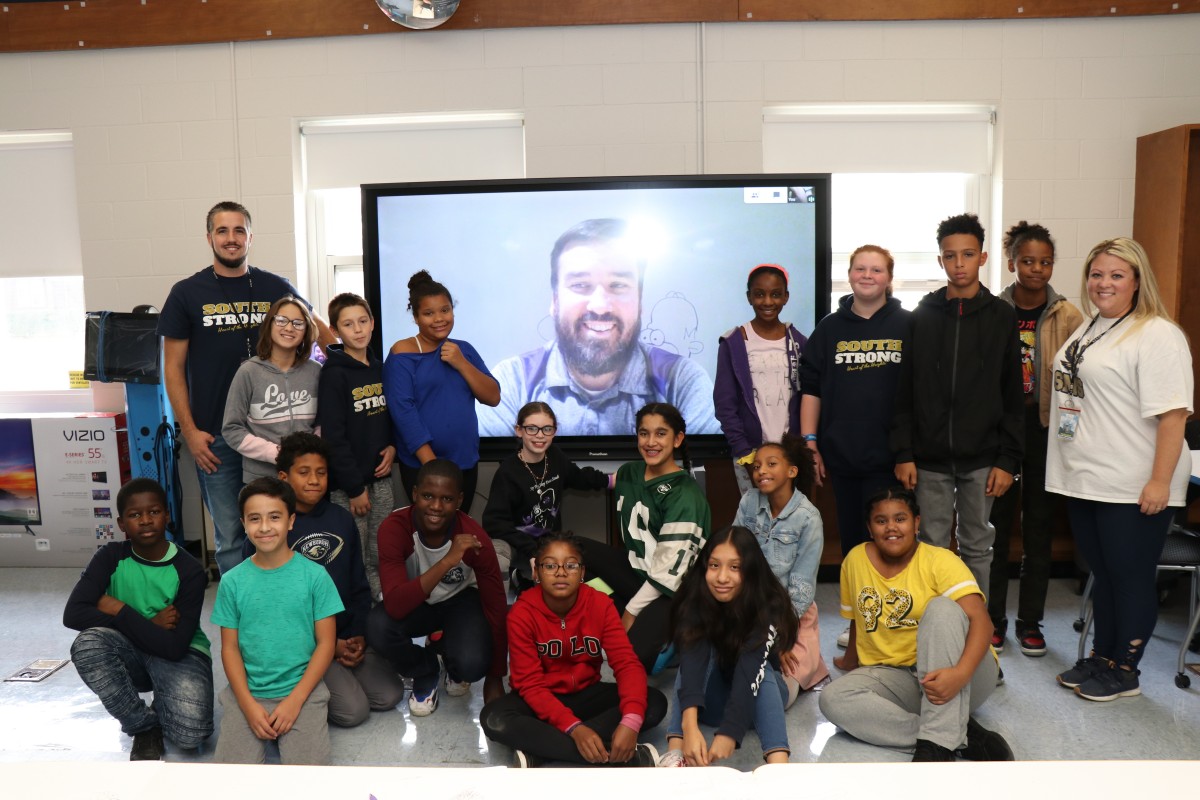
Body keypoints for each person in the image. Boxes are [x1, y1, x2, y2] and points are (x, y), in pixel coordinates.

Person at [1046, 237, 1193, 702]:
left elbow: (1173, 414)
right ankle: (1103, 657)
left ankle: (1126, 669)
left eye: (1116, 275)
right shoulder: (1091, 326)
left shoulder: (1156, 334)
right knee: (1104, 575)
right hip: (1087, 476)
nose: (1103, 283)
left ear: (1136, 280)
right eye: (1096, 274)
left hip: (1133, 481)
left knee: (1129, 577)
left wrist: (1159, 482)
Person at [158, 200, 333, 575]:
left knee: (282, 528)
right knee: (233, 535)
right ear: (209, 238)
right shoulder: (187, 293)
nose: (231, 239)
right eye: (222, 231)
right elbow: (171, 368)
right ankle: (240, 623)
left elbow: (323, 334)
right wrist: (189, 431)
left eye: (239, 231)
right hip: (215, 436)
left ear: (251, 237)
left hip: (274, 435)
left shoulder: (275, 286)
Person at [818, 487, 1013, 762]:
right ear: (869, 527)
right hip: (899, 677)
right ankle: (956, 735)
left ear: (916, 523)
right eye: (881, 521)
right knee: (832, 699)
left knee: (942, 608)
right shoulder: (855, 560)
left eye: (900, 519)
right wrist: (851, 661)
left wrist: (960, 674)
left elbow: (983, 623)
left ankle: (935, 749)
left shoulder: (940, 560)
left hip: (964, 672)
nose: (891, 528)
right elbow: (857, 621)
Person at [479, 218, 719, 437]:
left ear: (640, 301)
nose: (601, 306)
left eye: (618, 285)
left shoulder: (683, 381)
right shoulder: (510, 383)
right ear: (554, 300)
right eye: (581, 284)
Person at [891, 213, 1023, 594]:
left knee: (978, 544)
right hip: (928, 458)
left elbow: (1013, 392)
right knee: (931, 544)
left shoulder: (1002, 317)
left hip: (983, 458)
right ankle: (935, 626)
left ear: (982, 258)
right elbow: (904, 392)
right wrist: (904, 452)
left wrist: (1007, 460)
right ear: (940, 261)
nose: (959, 264)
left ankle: (973, 625)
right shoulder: (922, 316)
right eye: (950, 256)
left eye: (967, 255)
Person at [800, 245, 911, 650]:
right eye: (860, 268)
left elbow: (918, 394)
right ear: (849, 275)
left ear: (888, 277)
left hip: (891, 462)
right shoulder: (830, 328)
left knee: (893, 541)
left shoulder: (908, 324)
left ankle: (894, 622)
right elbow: (811, 389)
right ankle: (859, 623)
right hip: (842, 457)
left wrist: (908, 453)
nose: (868, 275)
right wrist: (810, 442)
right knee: (853, 547)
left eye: (876, 269)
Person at [480, 531, 668, 768]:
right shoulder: (522, 613)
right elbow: (530, 684)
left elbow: (627, 664)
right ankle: (621, 757)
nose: (560, 572)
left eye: (570, 565)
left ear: (582, 572)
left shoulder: (600, 604)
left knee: (653, 702)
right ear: (536, 572)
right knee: (494, 719)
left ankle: (541, 752)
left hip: (587, 693)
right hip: (540, 699)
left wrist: (630, 722)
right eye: (549, 565)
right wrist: (575, 729)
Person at [63, 478, 214, 761]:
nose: (145, 520)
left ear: (167, 515)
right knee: (87, 645)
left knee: (190, 735)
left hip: (182, 654)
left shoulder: (189, 570)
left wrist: (118, 609)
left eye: (154, 512)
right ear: (121, 524)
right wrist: (146, 622)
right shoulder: (109, 557)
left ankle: (164, 700)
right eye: (135, 515)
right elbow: (73, 614)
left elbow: (174, 648)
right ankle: (143, 727)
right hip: (134, 647)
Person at [986, 222, 1083, 657]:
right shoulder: (992, 310)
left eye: (1045, 262)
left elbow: (1077, 385)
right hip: (1001, 436)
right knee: (996, 531)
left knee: (1039, 530)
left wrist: (1068, 438)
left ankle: (1030, 622)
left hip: (1046, 434)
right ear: (1012, 263)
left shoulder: (1069, 316)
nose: (1037, 269)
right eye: (1028, 261)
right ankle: (992, 621)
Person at [269, 433, 405, 726]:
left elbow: (358, 584)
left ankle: (339, 665)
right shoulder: (272, 528)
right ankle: (308, 677)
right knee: (353, 712)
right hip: (303, 643)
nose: (314, 480)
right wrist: (328, 647)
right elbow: (275, 610)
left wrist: (356, 635)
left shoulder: (341, 519)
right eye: (303, 473)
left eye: (321, 472)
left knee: (390, 695)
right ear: (283, 476)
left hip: (344, 634)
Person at [211, 478, 343, 765]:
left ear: (291, 520)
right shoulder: (232, 582)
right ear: (244, 524)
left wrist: (295, 701)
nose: (265, 527)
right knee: (226, 786)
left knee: (309, 785)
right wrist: (247, 705)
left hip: (302, 692)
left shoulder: (315, 577)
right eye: (254, 519)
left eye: (275, 517)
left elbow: (326, 644)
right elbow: (229, 648)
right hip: (247, 692)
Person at [367, 459, 508, 717]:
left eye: (447, 499)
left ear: (459, 501)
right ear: (414, 494)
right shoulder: (393, 528)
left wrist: (496, 676)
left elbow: (497, 607)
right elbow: (396, 606)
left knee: (472, 665)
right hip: (415, 604)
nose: (435, 506)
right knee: (377, 626)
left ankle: (451, 658)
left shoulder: (475, 538)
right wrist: (447, 561)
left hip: (461, 602)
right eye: (428, 496)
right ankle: (426, 667)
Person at [577, 403, 712, 672]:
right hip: (638, 571)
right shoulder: (630, 472)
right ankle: (614, 613)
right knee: (571, 551)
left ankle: (678, 636)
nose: (650, 442)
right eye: (643, 433)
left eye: (661, 434)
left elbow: (667, 576)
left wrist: (631, 613)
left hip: (673, 591)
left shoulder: (685, 496)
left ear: (678, 439)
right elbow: (607, 481)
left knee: (637, 659)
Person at [658, 526, 798, 767]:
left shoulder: (768, 603)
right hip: (710, 700)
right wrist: (690, 727)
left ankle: (779, 767)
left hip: (757, 702)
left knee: (761, 670)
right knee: (696, 655)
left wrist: (730, 732)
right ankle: (675, 753)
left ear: (751, 571)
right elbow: (692, 665)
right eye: (714, 565)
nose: (722, 577)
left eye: (735, 567)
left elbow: (749, 671)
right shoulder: (695, 599)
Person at [384, 270, 499, 514]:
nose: (439, 318)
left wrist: (462, 363)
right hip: (423, 466)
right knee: (429, 536)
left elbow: (493, 396)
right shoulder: (402, 353)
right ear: (416, 317)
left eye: (445, 310)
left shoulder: (463, 350)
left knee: (457, 532)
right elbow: (403, 412)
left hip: (465, 462)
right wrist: (433, 466)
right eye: (429, 313)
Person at [733, 437, 830, 703]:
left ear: (792, 471)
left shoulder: (808, 517)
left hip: (790, 616)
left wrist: (779, 639)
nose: (761, 471)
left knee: (780, 694)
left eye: (771, 464)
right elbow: (733, 557)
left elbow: (801, 590)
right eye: (757, 466)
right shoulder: (748, 502)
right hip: (749, 608)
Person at [481, 401, 610, 590]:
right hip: (522, 548)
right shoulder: (508, 471)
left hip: (552, 545)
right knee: (555, 589)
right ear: (519, 430)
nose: (540, 435)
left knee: (593, 583)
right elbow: (495, 524)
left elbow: (580, 477)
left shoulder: (555, 456)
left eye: (547, 429)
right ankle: (523, 580)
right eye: (532, 428)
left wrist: (615, 480)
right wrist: (532, 552)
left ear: (554, 432)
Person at [317, 292, 396, 599]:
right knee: (353, 555)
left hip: (382, 479)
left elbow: (389, 419)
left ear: (373, 323)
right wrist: (353, 488)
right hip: (350, 488)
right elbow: (333, 437)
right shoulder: (334, 374)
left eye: (363, 321)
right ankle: (355, 621)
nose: (359, 329)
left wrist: (393, 447)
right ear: (336, 331)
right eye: (349, 324)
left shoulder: (381, 369)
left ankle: (378, 613)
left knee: (380, 552)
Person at [714, 263, 806, 495]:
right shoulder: (733, 343)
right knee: (754, 522)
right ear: (749, 297)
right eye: (759, 294)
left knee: (789, 521)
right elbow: (724, 404)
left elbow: (807, 399)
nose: (767, 302)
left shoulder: (799, 342)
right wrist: (743, 450)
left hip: (790, 453)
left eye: (775, 294)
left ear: (786, 297)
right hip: (750, 453)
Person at [221, 296, 321, 484]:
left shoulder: (316, 372)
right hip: (261, 479)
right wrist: (278, 454)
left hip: (307, 478)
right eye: (281, 320)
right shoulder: (248, 372)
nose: (289, 328)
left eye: (298, 323)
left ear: (306, 330)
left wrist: (308, 453)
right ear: (269, 325)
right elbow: (232, 430)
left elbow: (324, 422)